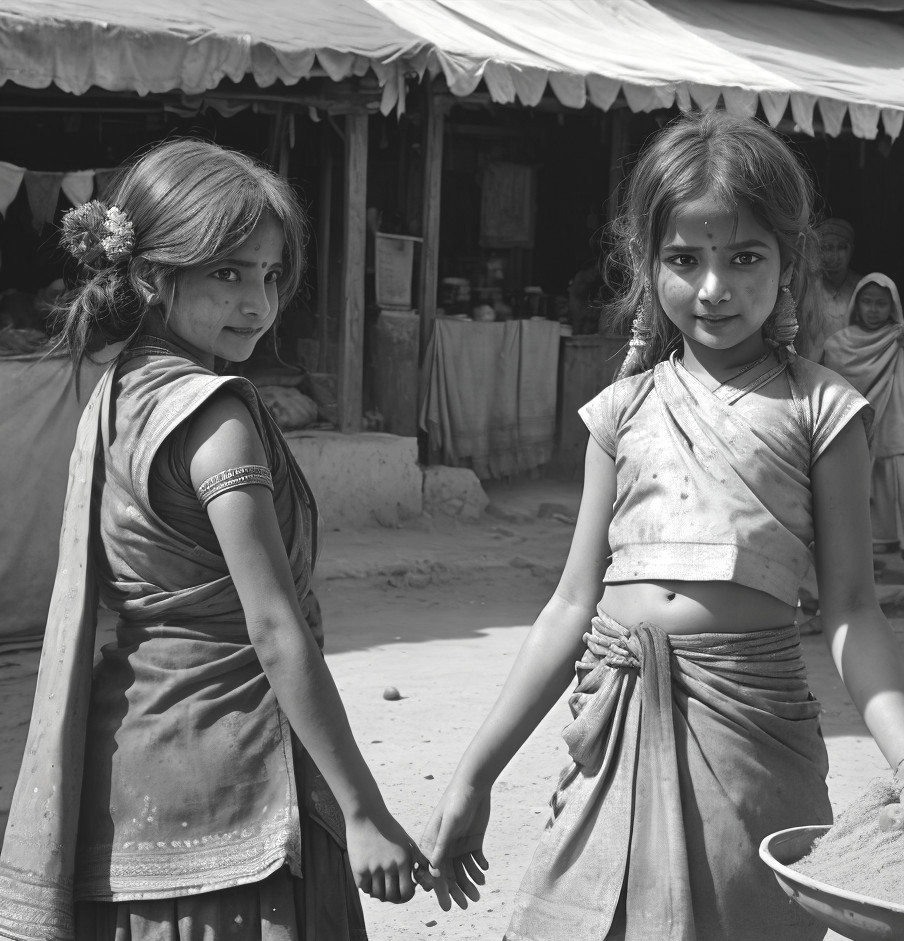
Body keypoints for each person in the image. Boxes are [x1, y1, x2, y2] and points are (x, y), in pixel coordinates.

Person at [419, 111, 904, 940]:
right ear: (648, 266)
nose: (714, 287)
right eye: (685, 259)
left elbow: (854, 608)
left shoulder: (825, 408)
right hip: (611, 724)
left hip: (753, 741)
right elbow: (571, 606)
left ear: (790, 267)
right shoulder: (621, 409)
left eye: (744, 257)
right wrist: (474, 772)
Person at [0, 139, 429, 941]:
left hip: (132, 767)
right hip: (234, 777)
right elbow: (273, 629)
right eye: (227, 272)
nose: (257, 303)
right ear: (154, 274)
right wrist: (363, 810)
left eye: (268, 276)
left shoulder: (119, 390)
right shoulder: (215, 418)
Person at [823, 273, 904, 555]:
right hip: (852, 429)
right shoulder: (837, 344)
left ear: (892, 305)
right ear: (856, 304)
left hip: (892, 425)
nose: (873, 309)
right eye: (867, 302)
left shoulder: (898, 340)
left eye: (881, 303)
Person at [797, 217, 859, 362]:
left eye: (842, 247)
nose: (834, 256)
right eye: (827, 247)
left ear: (851, 250)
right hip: (813, 367)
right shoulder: (807, 286)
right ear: (818, 251)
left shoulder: (863, 286)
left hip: (852, 368)